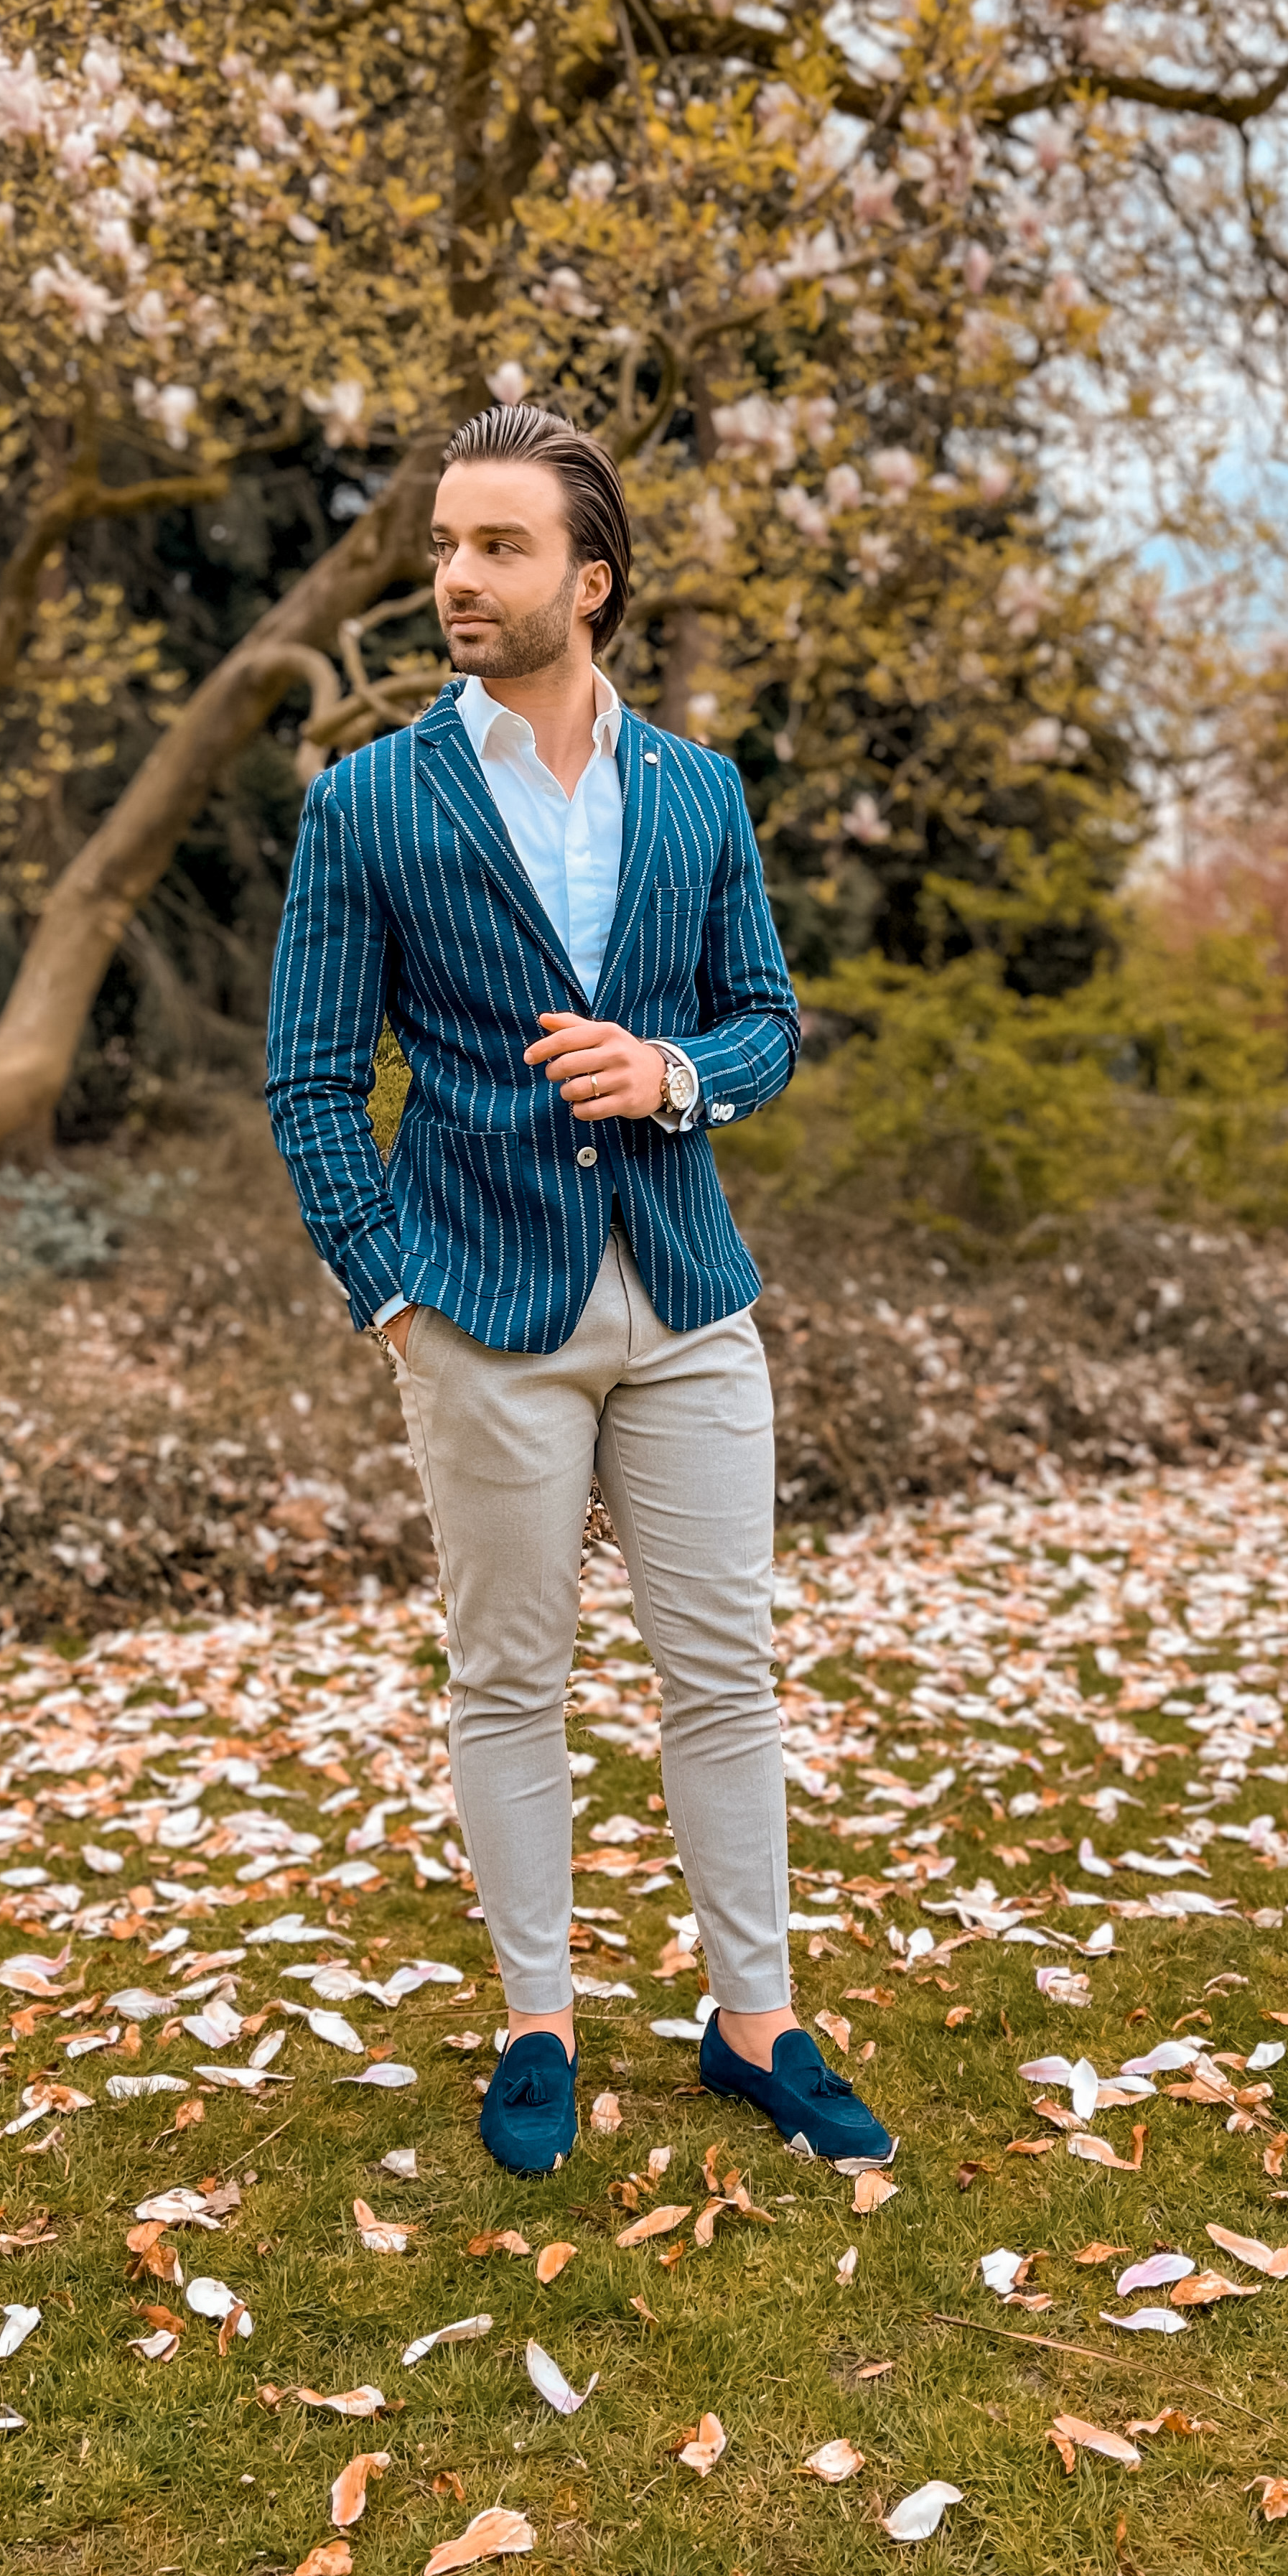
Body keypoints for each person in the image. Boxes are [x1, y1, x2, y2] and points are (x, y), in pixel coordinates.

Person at [265, 403, 894, 2180]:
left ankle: (754, 2021)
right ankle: (535, 2016)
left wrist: (676, 1074)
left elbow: (767, 1020)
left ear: (589, 581)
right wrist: (393, 1296)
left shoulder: (699, 791)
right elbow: (313, 1079)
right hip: (480, 1316)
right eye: (446, 547)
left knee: (727, 1675)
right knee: (507, 1679)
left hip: (686, 1304)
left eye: (498, 547)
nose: (456, 577)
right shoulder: (368, 802)